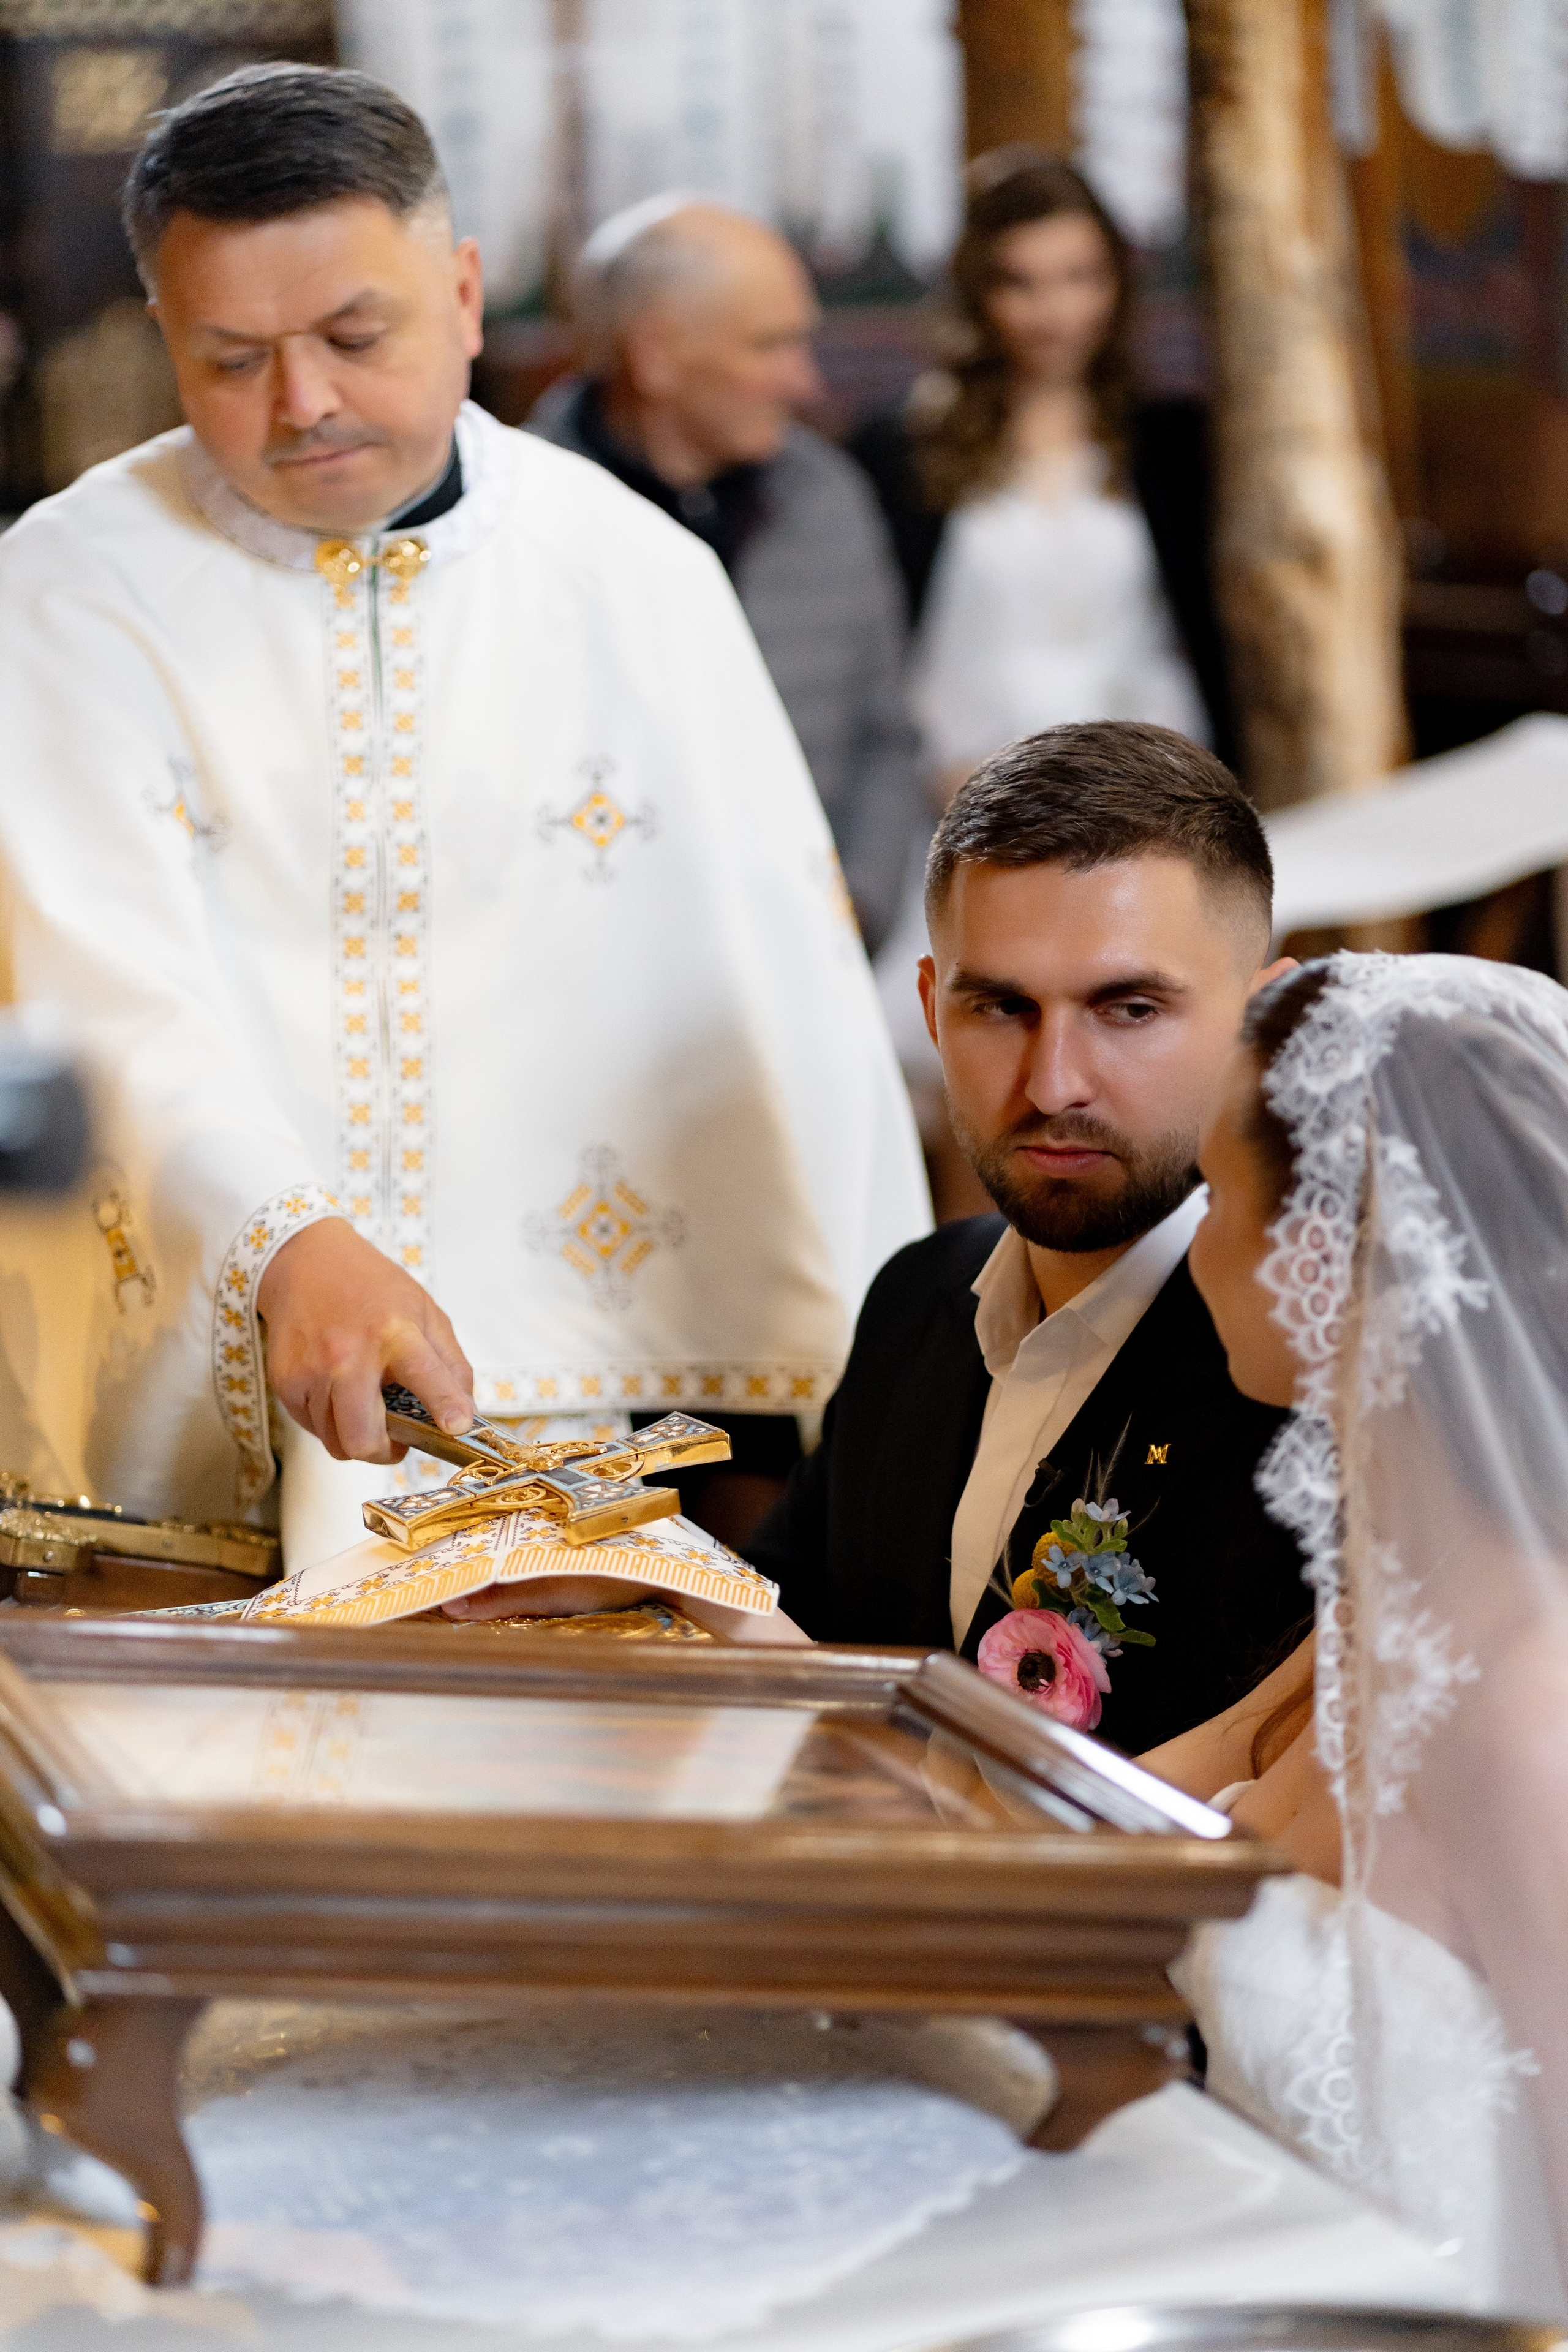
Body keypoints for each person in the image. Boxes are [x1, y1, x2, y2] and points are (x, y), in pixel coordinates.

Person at [0, 65, 929, 1569]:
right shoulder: (67, 587)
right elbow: (93, 989)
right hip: (156, 1459)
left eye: (354, 336)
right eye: (232, 357)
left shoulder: (633, 579)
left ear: (466, 292)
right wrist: (282, 1238)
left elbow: (782, 1018)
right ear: (163, 332)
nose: (302, 404)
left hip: (581, 1449)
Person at [1142, 950, 1568, 2314]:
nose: (1191, 1239)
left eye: (1216, 1194)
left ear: (1321, 1240)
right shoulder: (1394, 1609)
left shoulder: (1521, 1707)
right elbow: (1102, 1837)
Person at [747, 720, 1307, 1757]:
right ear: (929, 1007)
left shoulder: (1315, 1386)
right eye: (1001, 1007)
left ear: (1260, 1019)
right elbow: (782, 1639)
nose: (1054, 1084)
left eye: (1129, 1008)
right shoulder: (916, 1300)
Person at [529, 196, 924, 951]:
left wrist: (857, 907)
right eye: (771, 346)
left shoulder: (827, 499)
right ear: (657, 355)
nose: (805, 383)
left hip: (809, 955)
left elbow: (885, 736)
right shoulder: (519, 521)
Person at [851, 146, 1230, 780]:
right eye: (1020, 283)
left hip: (1150, 794)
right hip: (965, 795)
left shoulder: (1173, 442)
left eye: (1080, 277)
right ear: (977, 293)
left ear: (1116, 281)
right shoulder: (902, 450)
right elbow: (873, 656)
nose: (1056, 315)